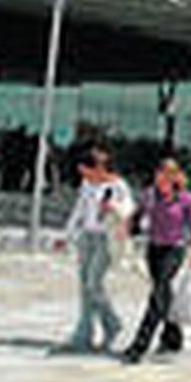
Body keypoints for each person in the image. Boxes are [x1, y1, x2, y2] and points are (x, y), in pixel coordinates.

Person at [122, 158, 191, 364]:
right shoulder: (150, 195)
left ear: (174, 177)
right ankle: (172, 337)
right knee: (163, 295)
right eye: (158, 174)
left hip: (175, 250)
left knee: (158, 293)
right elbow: (136, 216)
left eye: (166, 175)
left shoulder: (186, 199)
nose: (160, 179)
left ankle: (139, 346)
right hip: (154, 250)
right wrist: (127, 226)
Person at [59, 145, 132, 352]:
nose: (85, 177)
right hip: (87, 237)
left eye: (88, 172)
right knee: (84, 286)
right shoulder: (87, 185)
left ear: (99, 168)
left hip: (106, 239)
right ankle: (84, 334)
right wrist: (67, 235)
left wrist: (114, 207)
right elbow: (79, 210)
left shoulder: (118, 185)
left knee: (94, 283)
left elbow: (128, 210)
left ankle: (112, 324)